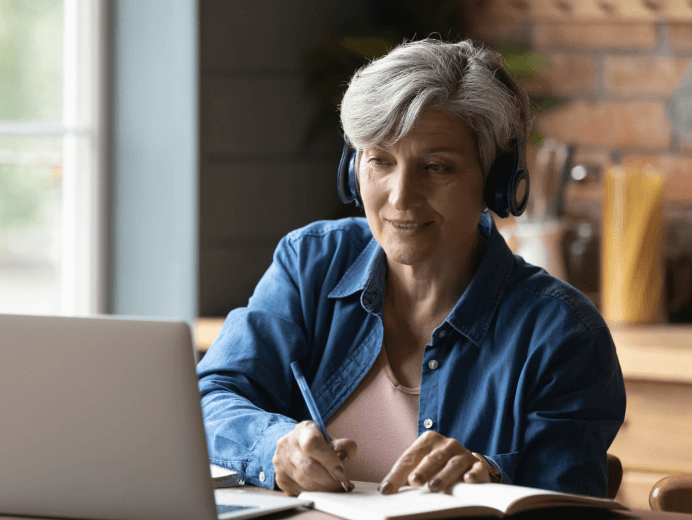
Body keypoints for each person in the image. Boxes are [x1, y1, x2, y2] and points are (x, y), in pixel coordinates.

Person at [197, 38, 625, 499]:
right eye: (380, 161)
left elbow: (567, 498)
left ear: (497, 183)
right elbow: (211, 398)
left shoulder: (562, 334)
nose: (400, 197)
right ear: (352, 168)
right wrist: (272, 446)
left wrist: (491, 475)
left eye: (436, 167)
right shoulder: (310, 264)